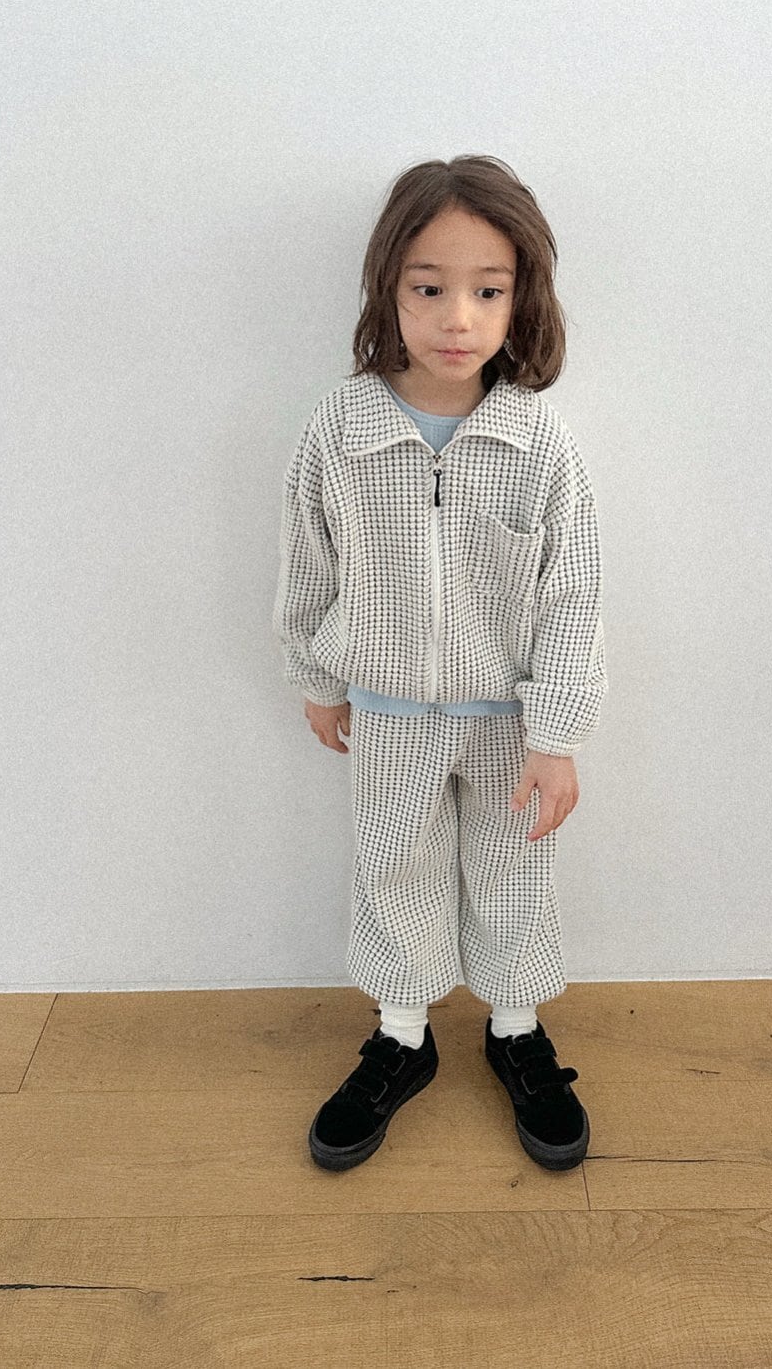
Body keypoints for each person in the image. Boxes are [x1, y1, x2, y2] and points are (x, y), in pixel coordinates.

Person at [272, 154, 608, 1172]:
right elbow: (306, 557)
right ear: (388, 287)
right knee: (392, 865)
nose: (456, 317)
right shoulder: (342, 428)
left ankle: (515, 1027)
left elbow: (574, 592)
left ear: (521, 298)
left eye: (487, 291)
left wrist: (557, 734)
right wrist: (317, 677)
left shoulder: (536, 443)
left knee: (513, 869)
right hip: (387, 711)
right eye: (427, 288)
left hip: (508, 722)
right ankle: (402, 1032)